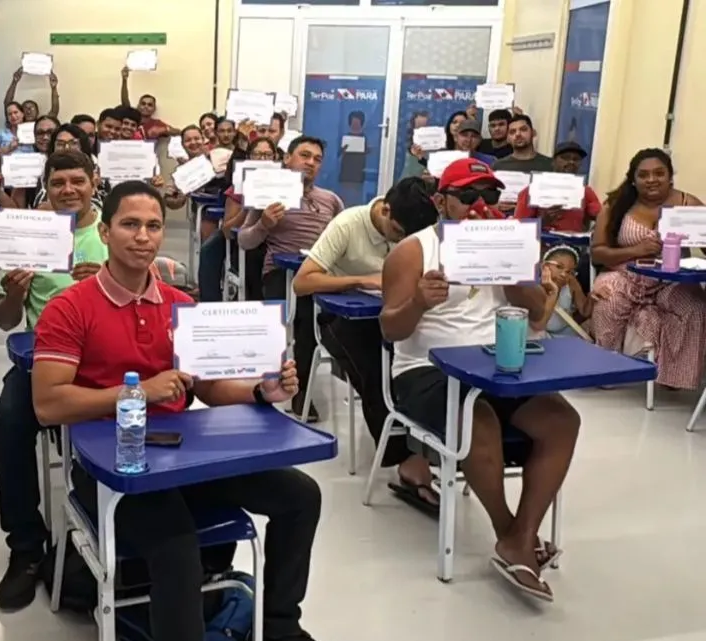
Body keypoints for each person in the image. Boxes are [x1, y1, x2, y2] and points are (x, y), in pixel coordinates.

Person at [31, 180, 348, 641]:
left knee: (300, 495)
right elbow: (48, 405)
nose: (143, 236)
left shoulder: (180, 305)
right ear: (106, 232)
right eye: (129, 225)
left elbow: (210, 388)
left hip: (181, 456)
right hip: (112, 470)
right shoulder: (69, 308)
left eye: (153, 225)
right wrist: (139, 393)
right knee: (177, 547)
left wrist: (261, 391)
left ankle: (278, 633)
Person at [380, 158, 581, 601]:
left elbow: (535, 313)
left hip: (495, 363)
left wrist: (515, 275)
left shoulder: (511, 243)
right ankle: (510, 533)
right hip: (425, 369)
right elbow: (390, 329)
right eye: (467, 195)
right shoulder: (413, 251)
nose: (478, 205)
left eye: (488, 195)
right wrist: (417, 302)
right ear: (441, 201)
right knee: (479, 420)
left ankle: (520, 535)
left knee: (562, 420)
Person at [0, 151, 108, 610]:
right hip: (45, 360)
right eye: (58, 182)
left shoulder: (112, 231)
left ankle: (97, 529)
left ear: (94, 181)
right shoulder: (29, 237)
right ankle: (25, 545)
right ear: (47, 186)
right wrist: (14, 293)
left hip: (107, 359)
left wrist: (109, 280)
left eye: (78, 180)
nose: (68, 190)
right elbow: (6, 321)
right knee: (9, 422)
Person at [292, 178, 447, 512]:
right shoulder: (348, 224)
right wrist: (361, 280)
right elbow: (302, 282)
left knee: (424, 365)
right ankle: (406, 461)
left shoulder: (419, 238)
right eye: (397, 232)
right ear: (385, 210)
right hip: (341, 318)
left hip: (393, 316)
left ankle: (435, 446)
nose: (402, 242)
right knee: (376, 371)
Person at [238, 136, 345, 421]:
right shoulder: (267, 193)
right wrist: (263, 224)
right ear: (287, 158)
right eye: (304, 155)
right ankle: (290, 390)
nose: (310, 163)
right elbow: (244, 241)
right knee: (304, 315)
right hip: (280, 272)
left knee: (324, 319)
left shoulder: (331, 200)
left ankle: (308, 385)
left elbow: (345, 238)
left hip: (318, 273)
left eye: (317, 159)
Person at [591, 148, 706, 389]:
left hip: (671, 280)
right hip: (623, 273)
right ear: (633, 179)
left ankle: (675, 378)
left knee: (694, 305)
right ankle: (606, 370)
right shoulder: (616, 205)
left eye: (659, 173)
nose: (651, 179)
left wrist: (698, 236)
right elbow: (598, 252)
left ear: (670, 176)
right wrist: (637, 250)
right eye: (643, 175)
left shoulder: (689, 204)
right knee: (609, 300)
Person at [197, 137, 279, 302]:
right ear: (249, 157)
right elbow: (228, 230)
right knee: (211, 248)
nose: (262, 160)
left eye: (267, 155)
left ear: (275, 157)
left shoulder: (286, 184)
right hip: (244, 242)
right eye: (257, 155)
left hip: (277, 241)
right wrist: (248, 207)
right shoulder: (237, 188)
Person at [515, 141, 600, 233]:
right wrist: (542, 221)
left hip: (572, 241)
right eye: (565, 158)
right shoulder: (532, 189)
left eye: (576, 159)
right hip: (543, 240)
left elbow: (600, 216)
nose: (571, 162)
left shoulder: (585, 191)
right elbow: (518, 227)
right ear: (553, 162)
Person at [533, 246, 597, 338]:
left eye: (569, 272)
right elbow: (538, 323)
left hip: (566, 331)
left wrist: (591, 298)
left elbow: (584, 311)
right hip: (541, 333)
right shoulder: (535, 287)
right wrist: (553, 290)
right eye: (559, 267)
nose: (563, 274)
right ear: (544, 266)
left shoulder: (571, 282)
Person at [120, 67, 177, 139]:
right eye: (143, 103)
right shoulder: (131, 120)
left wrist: (164, 130)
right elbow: (125, 102)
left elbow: (179, 132)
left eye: (150, 105)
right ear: (138, 106)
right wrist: (124, 80)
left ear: (154, 109)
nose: (146, 106)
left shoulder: (156, 123)